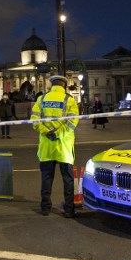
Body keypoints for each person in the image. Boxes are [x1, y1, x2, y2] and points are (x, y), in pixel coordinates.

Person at [31, 75, 80, 218]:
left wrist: (47, 132)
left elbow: (34, 120)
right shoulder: (69, 100)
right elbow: (72, 123)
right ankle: (69, 210)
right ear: (64, 86)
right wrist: (58, 134)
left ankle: (45, 207)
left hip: (46, 146)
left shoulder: (42, 99)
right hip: (63, 146)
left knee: (46, 177)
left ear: (51, 85)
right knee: (68, 179)